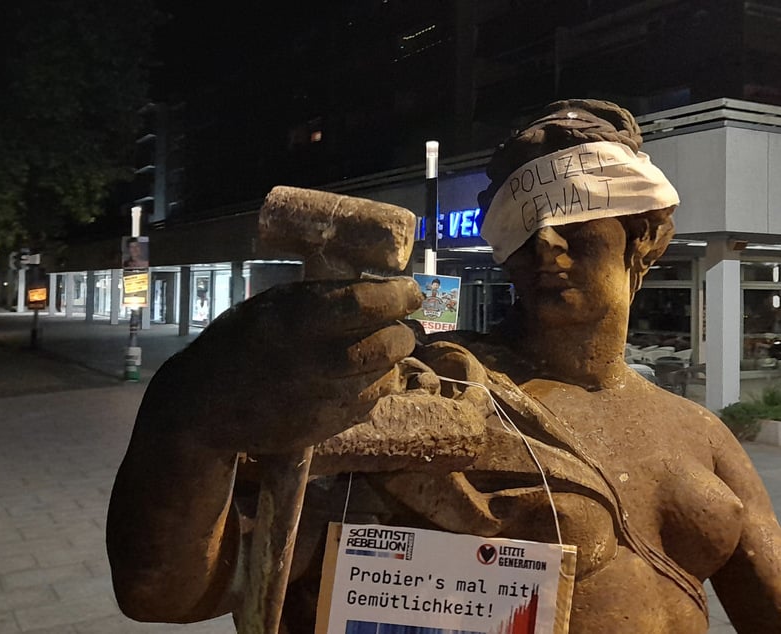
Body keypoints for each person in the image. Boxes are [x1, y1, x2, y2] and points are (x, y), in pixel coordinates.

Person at [106, 100, 781, 633]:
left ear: (649, 234)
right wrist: (190, 423)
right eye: (522, 219)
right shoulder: (422, 395)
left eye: (578, 209)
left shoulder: (700, 437)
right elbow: (167, 590)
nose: (545, 239)